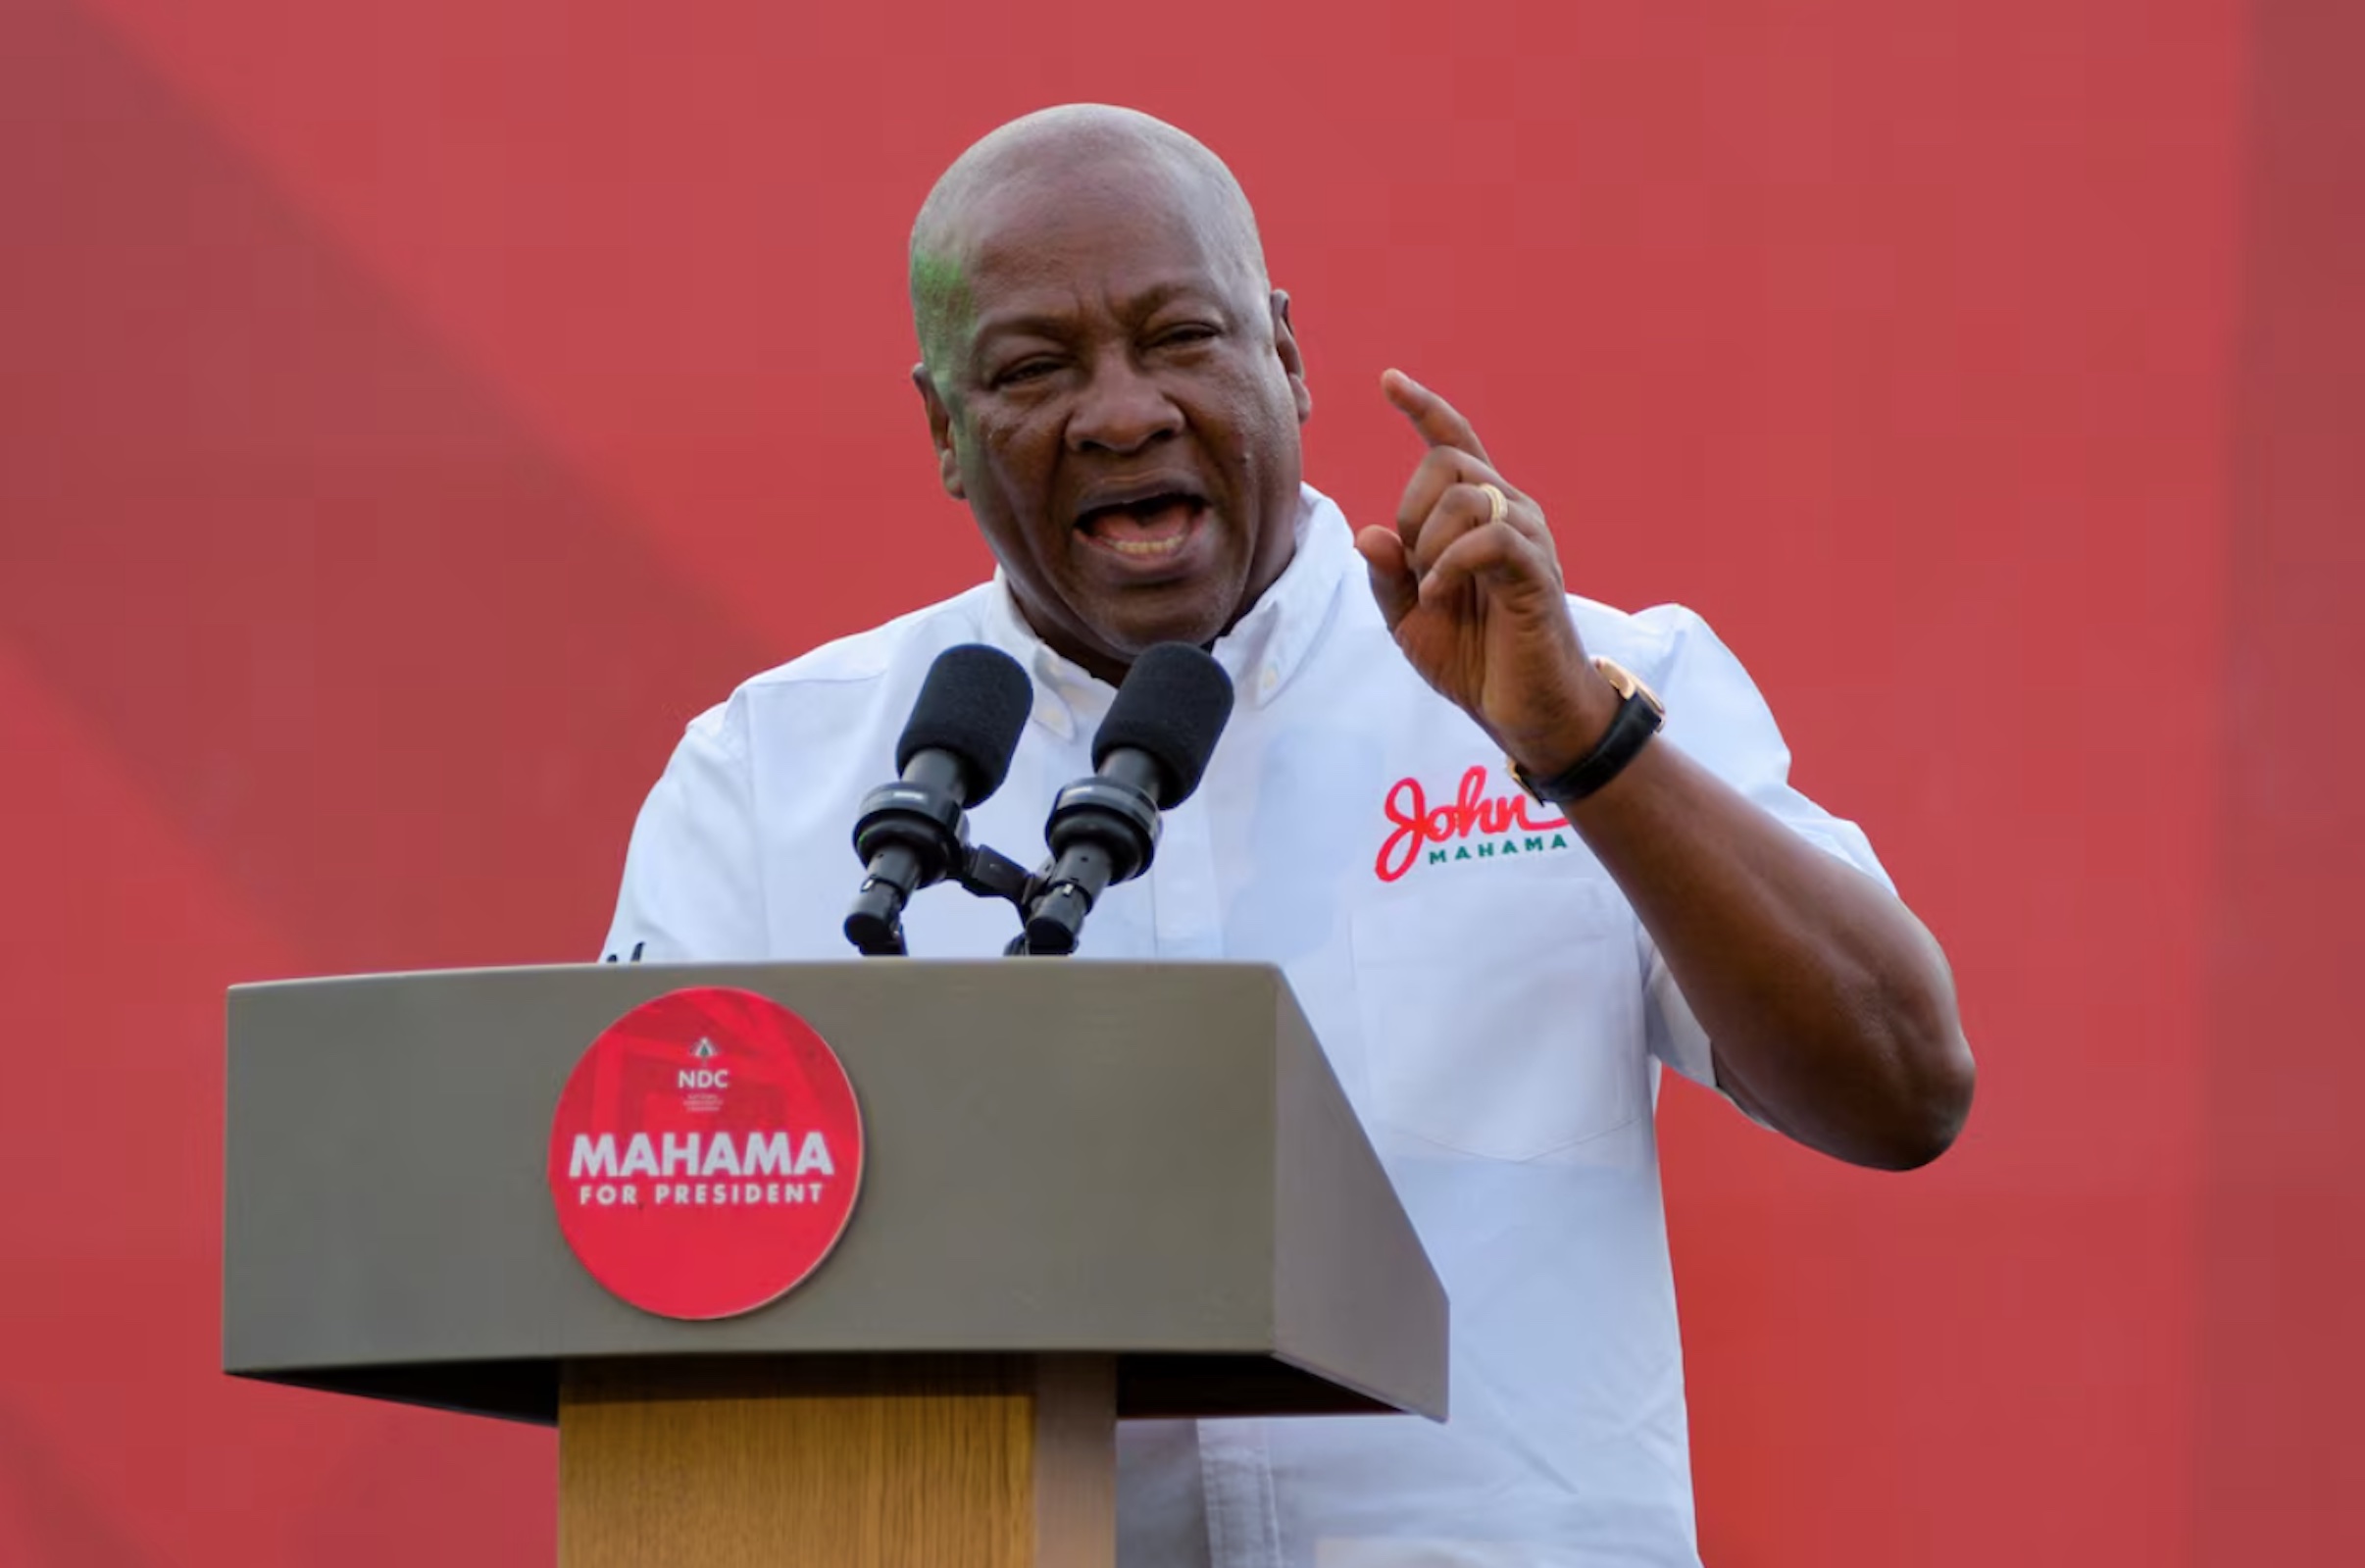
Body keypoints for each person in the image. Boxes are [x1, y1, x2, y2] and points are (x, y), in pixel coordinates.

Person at [603, 104, 1974, 1567]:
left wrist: (1584, 749)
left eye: (1182, 337)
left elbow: (1901, 1086)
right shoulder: (773, 775)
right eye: (1030, 369)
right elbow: (625, 1261)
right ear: (945, 432)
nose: (1122, 412)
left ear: (1288, 355)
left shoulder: (1583, 681)